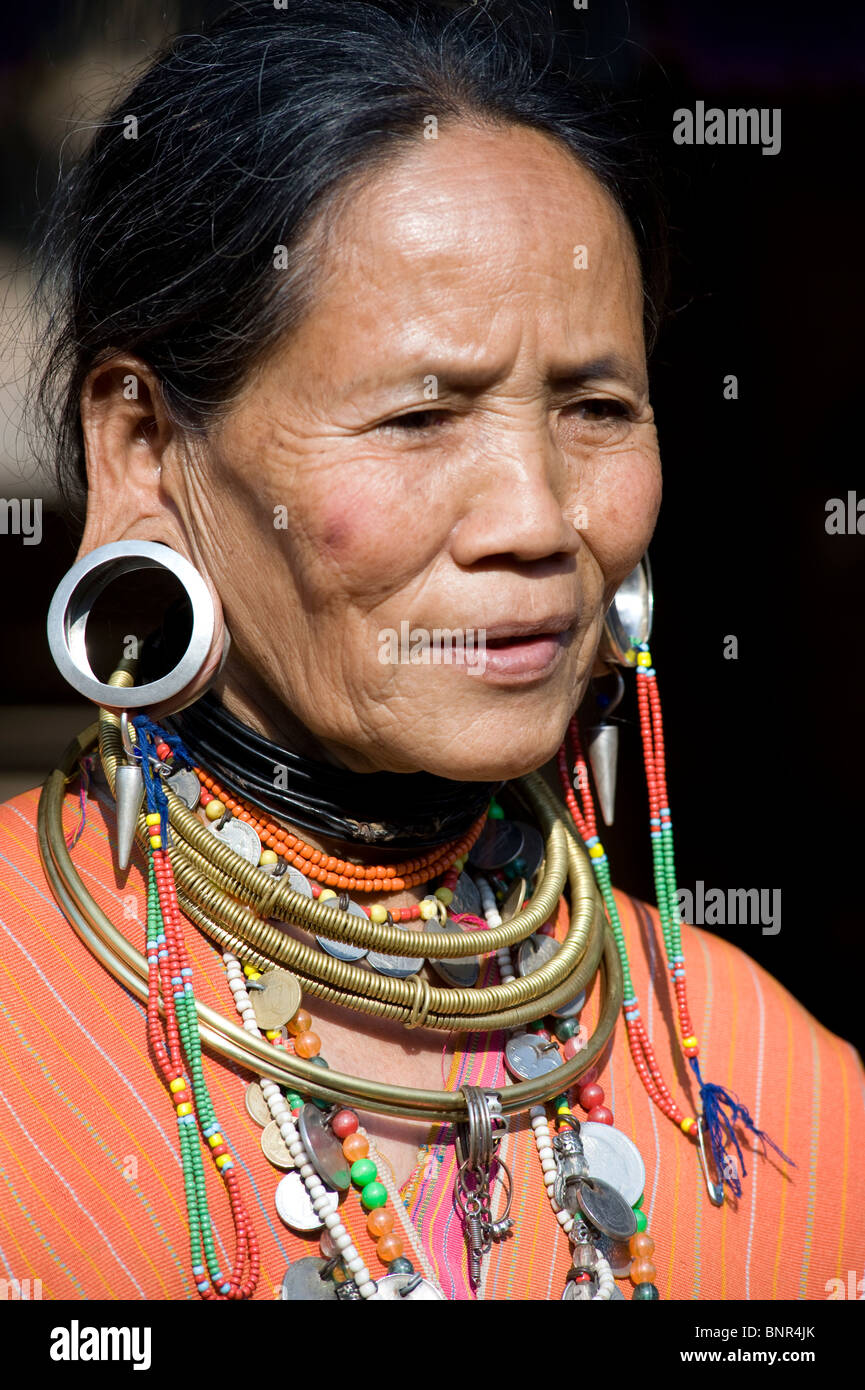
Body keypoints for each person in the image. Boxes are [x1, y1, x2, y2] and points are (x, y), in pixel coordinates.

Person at [2, 0, 862, 1303]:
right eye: (420, 414)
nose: (535, 519)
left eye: (593, 406)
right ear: (142, 450)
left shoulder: (763, 1078)